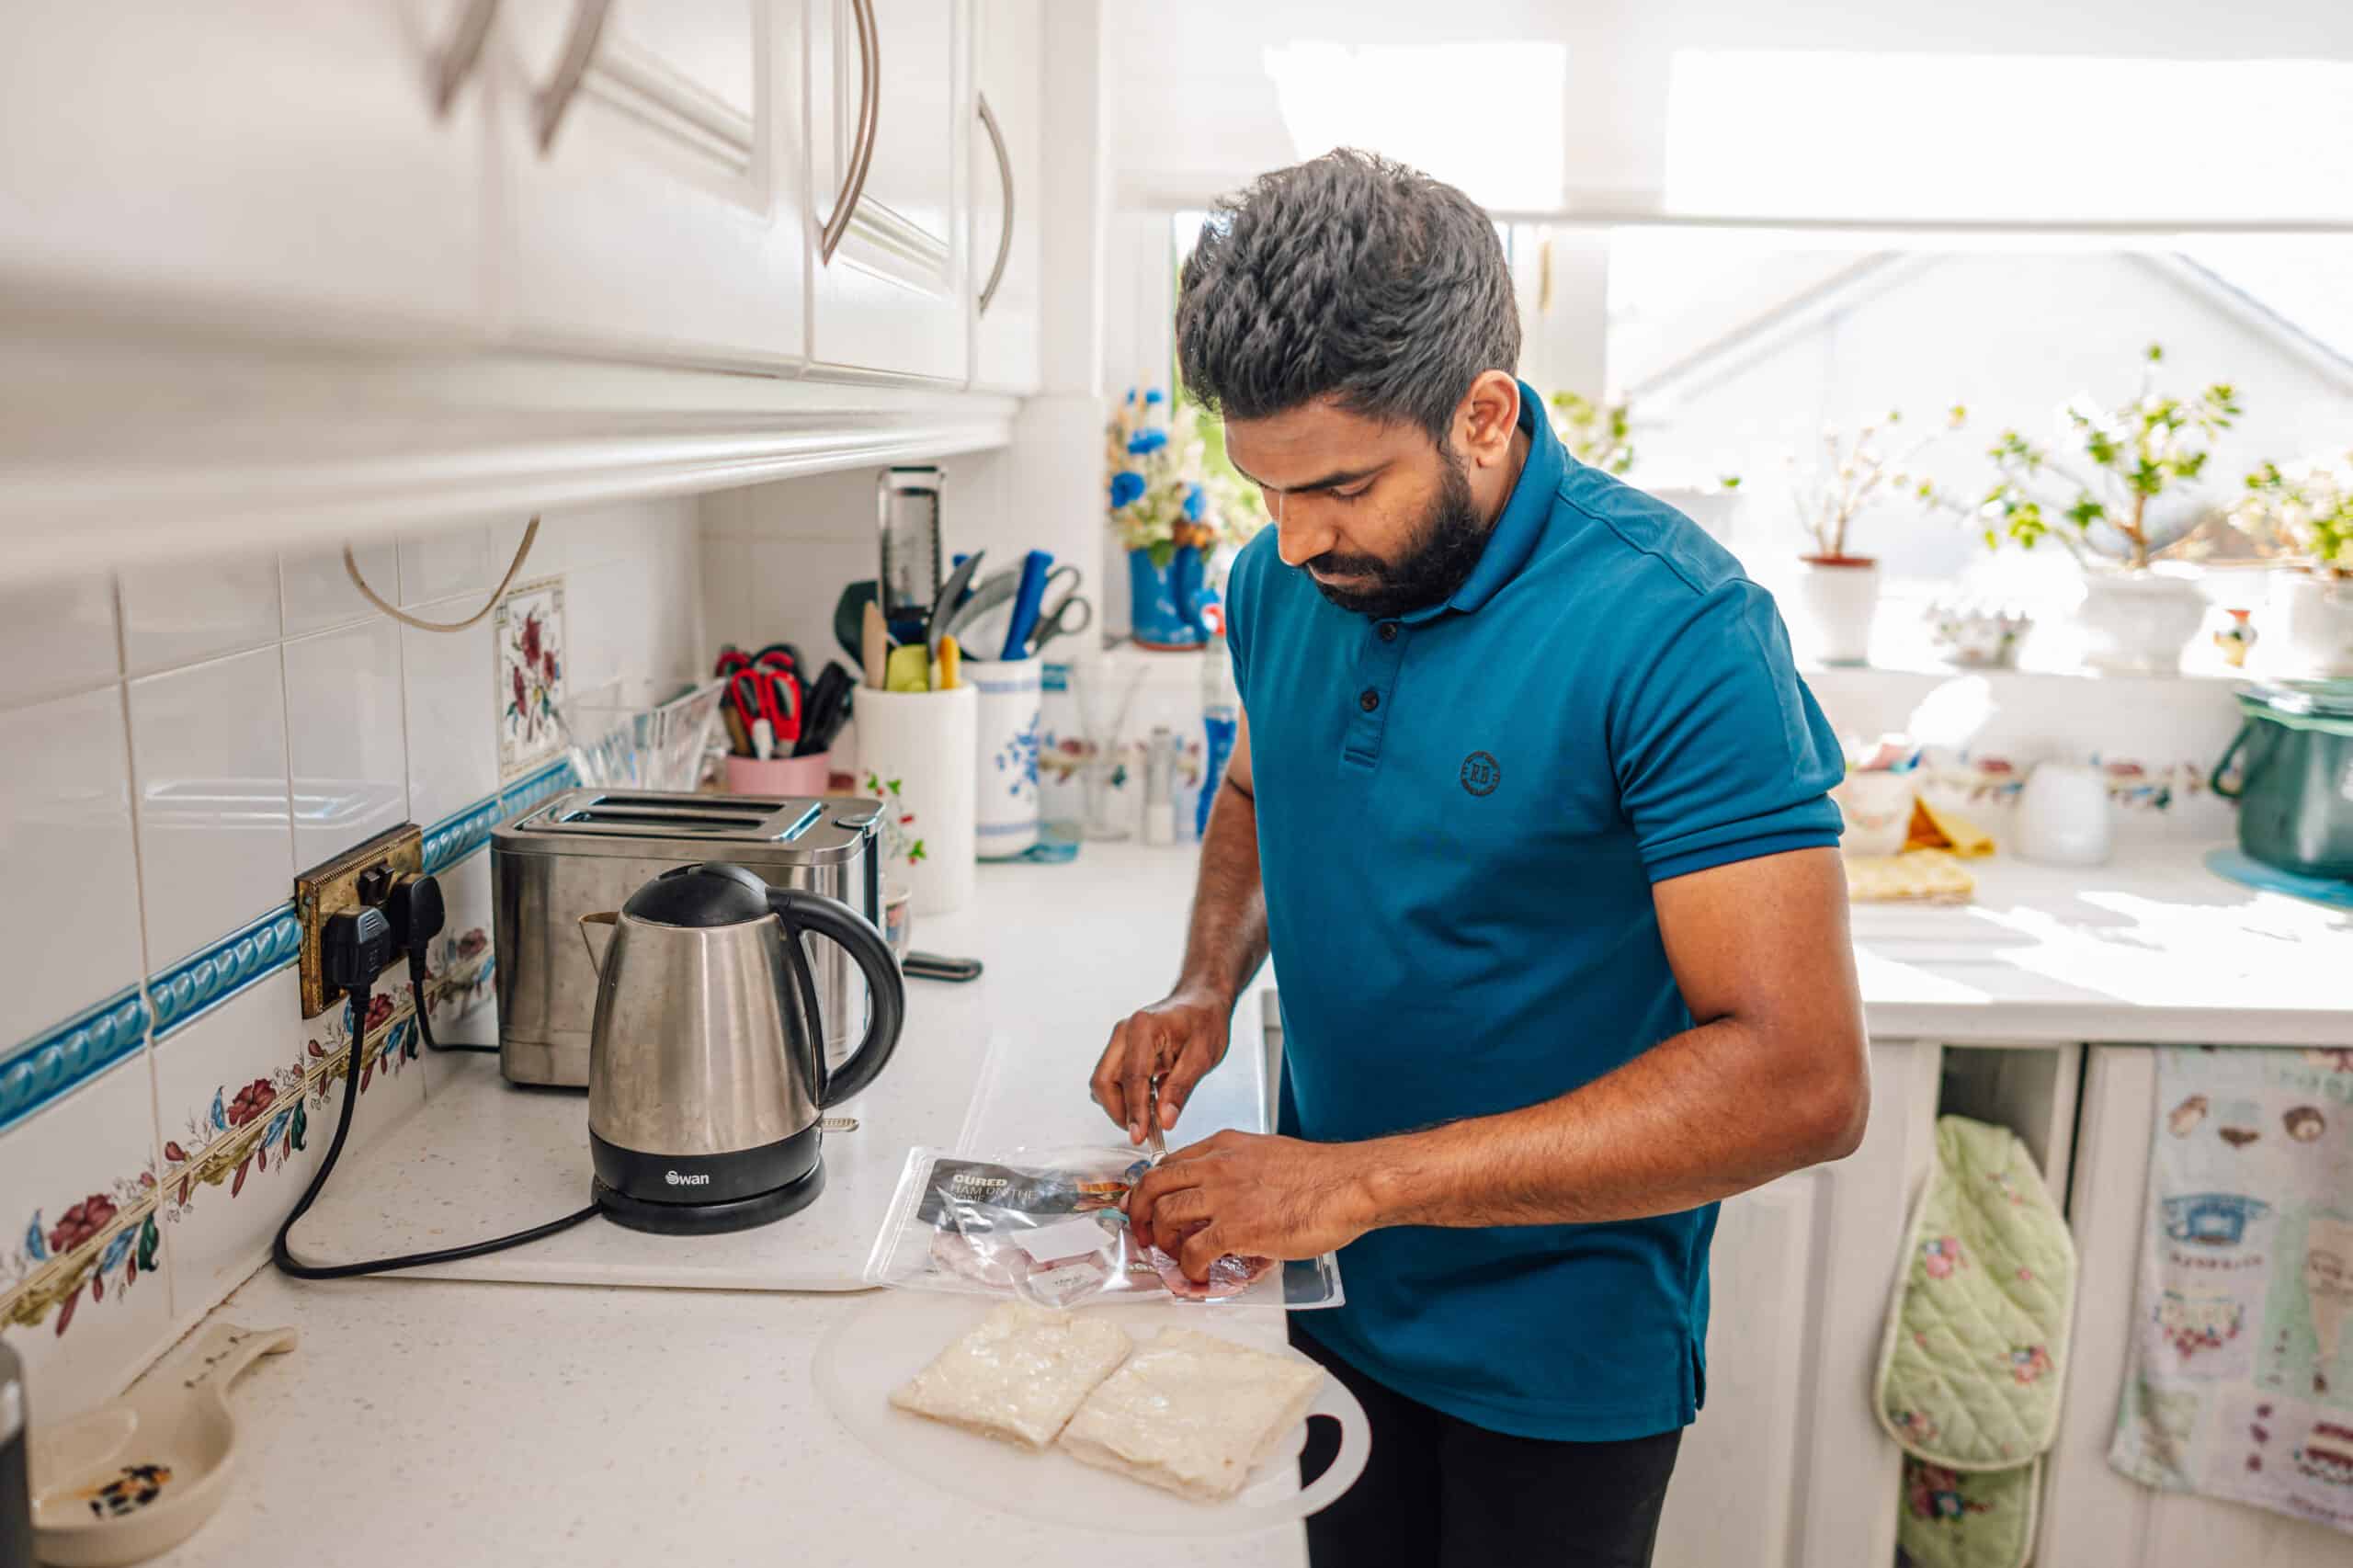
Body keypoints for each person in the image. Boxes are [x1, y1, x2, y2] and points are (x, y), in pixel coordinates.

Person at [1092, 150, 1870, 1568]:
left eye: (1337, 485)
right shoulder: (1281, 579)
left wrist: (1363, 1178)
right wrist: (1207, 983)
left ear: (1485, 412)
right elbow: (1267, 788)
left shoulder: (1682, 630)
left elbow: (1802, 1080)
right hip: (1315, 1290)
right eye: (1263, 487)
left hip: (1557, 1358)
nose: (1294, 536)